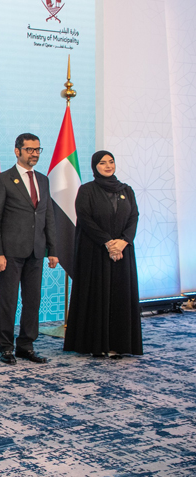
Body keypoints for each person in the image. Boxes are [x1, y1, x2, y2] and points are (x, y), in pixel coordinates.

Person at [0, 133, 59, 365]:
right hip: (9, 253)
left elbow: (48, 216)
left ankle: (26, 345)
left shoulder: (43, 179)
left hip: (37, 251)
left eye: (38, 149)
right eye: (29, 149)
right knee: (8, 300)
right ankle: (5, 346)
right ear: (17, 151)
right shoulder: (3, 179)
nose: (35, 154)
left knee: (32, 301)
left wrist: (53, 250)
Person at [64, 151, 142, 358]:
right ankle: (96, 344)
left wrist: (124, 241)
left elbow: (134, 217)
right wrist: (108, 243)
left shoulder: (127, 190)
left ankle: (119, 343)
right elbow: (85, 219)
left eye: (111, 162)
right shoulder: (87, 190)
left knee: (120, 296)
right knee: (98, 296)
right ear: (94, 166)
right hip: (95, 253)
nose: (108, 166)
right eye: (102, 163)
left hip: (122, 253)